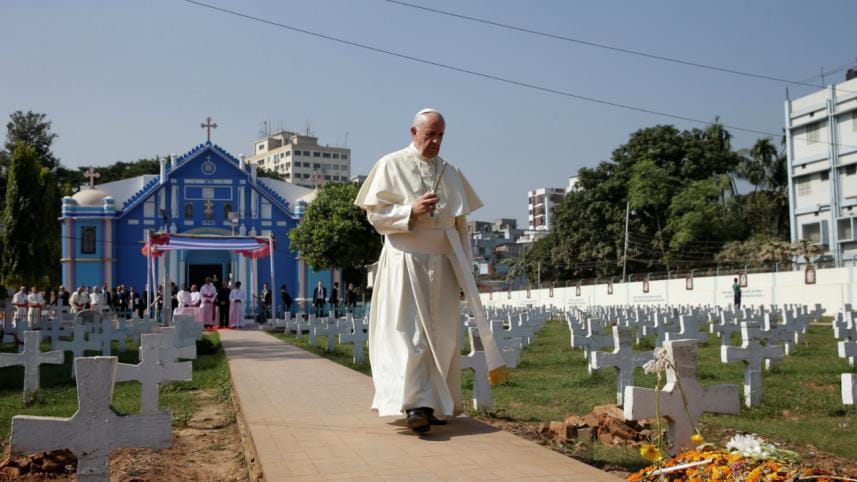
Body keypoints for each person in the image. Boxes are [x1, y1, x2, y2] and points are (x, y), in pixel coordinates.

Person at [354, 108, 508, 434]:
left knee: (443, 337)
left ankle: (436, 403)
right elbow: (376, 218)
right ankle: (415, 404)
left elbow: (461, 228)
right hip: (406, 263)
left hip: (443, 266)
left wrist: (467, 271)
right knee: (411, 337)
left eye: (441, 135)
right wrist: (409, 210)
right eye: (430, 134)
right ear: (414, 132)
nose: (436, 141)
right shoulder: (390, 164)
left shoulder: (451, 172)